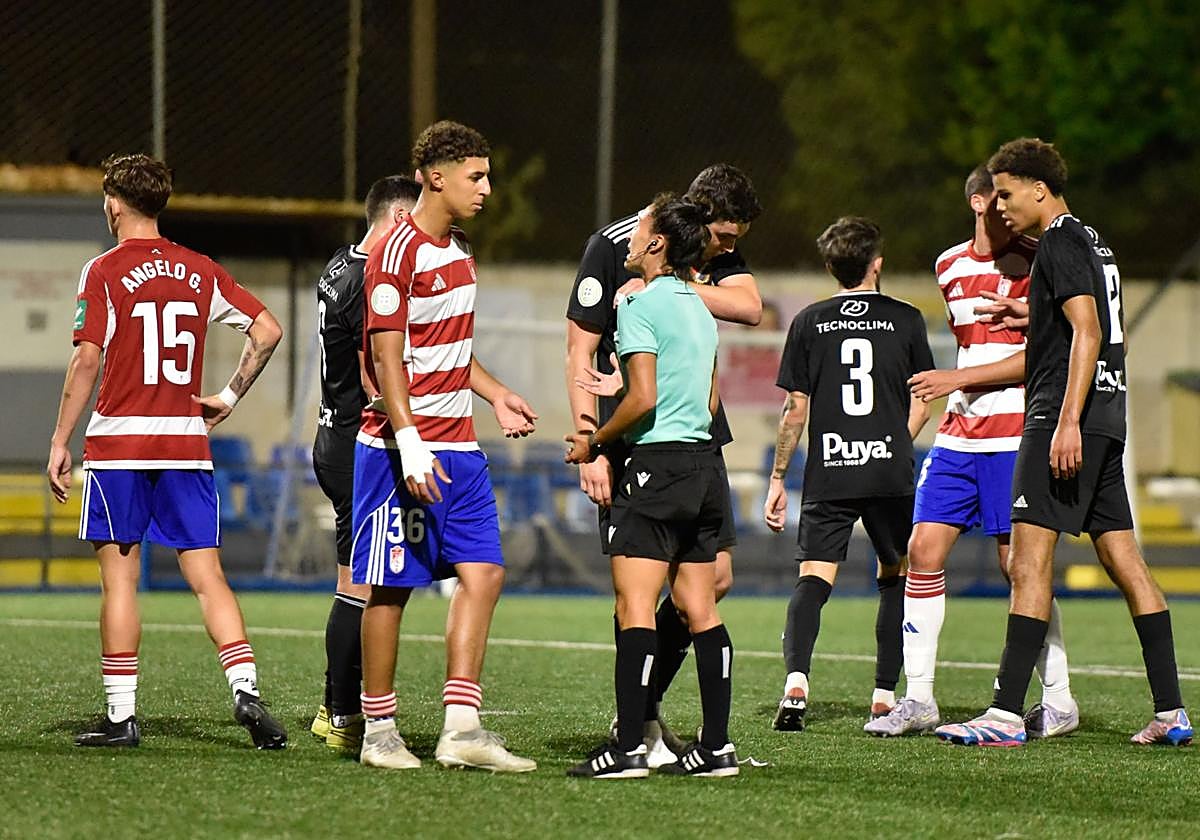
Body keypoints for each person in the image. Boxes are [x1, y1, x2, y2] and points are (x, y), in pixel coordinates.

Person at [935, 138, 1192, 747]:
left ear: (1038, 188)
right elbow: (1084, 322)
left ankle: (1002, 715)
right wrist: (1034, 321)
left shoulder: (1058, 240)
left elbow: (1087, 328)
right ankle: (1172, 710)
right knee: (1125, 561)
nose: (997, 206)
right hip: (1109, 415)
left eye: (1005, 193)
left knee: (1027, 563)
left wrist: (1066, 421)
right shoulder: (1093, 240)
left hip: (1063, 418)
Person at [48, 153, 287, 749]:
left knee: (121, 583)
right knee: (207, 576)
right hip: (184, 441)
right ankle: (247, 693)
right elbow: (268, 329)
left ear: (114, 202)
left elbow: (86, 357)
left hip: (119, 444)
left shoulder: (102, 270)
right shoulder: (199, 268)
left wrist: (59, 439)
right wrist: (229, 394)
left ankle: (121, 717)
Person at [352, 121, 539, 772]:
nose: (487, 188)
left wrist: (496, 393)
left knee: (484, 572)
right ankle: (379, 732)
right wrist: (408, 441)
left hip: (459, 446)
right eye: (476, 176)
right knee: (391, 588)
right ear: (436, 176)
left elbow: (451, 352)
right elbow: (384, 353)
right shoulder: (394, 251)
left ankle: (461, 728)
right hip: (396, 448)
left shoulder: (460, 251)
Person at [866, 166, 1079, 738]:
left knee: (1020, 565)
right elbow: (970, 348)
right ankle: (920, 699)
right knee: (923, 548)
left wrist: (956, 380)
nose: (1008, 209)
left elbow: (1043, 354)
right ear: (980, 202)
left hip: (1018, 434)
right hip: (961, 436)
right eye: (1000, 198)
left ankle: (1058, 698)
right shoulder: (949, 265)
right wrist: (955, 388)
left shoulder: (1042, 260)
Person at [565, 164, 762, 765]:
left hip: (652, 451)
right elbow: (581, 350)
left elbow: (645, 395)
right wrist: (594, 440)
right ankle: (702, 740)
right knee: (693, 597)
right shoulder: (622, 254)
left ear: (657, 240)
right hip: (694, 452)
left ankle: (630, 738)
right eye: (722, 238)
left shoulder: (650, 297)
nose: (725, 250)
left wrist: (594, 437)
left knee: (640, 596)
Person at [764, 216, 933, 731]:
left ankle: (796, 685)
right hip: (889, 469)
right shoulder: (906, 319)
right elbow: (925, 398)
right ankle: (884, 696)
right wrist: (892, 441)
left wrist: (777, 478)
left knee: (813, 580)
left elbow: (796, 408)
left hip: (831, 469)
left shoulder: (809, 321)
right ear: (877, 264)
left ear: (830, 267)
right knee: (895, 576)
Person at [309, 175, 421, 753]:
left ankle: (336, 708)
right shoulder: (368, 277)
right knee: (363, 581)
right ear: (399, 217)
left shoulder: (338, 264)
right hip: (358, 442)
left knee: (355, 577)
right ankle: (340, 712)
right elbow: (374, 369)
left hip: (333, 434)